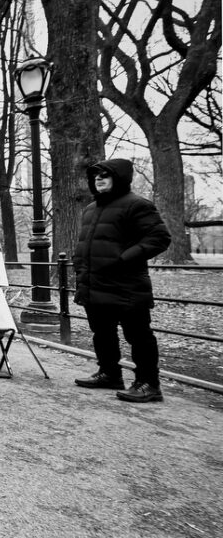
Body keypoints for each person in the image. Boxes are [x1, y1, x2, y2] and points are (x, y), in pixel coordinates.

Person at [72, 158, 171, 403]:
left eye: (105, 175)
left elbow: (159, 237)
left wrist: (124, 259)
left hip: (127, 285)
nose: (99, 179)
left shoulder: (137, 205)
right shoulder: (90, 209)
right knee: (102, 333)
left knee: (138, 336)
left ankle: (149, 383)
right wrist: (79, 265)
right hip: (95, 284)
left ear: (120, 178)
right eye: (96, 176)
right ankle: (109, 373)